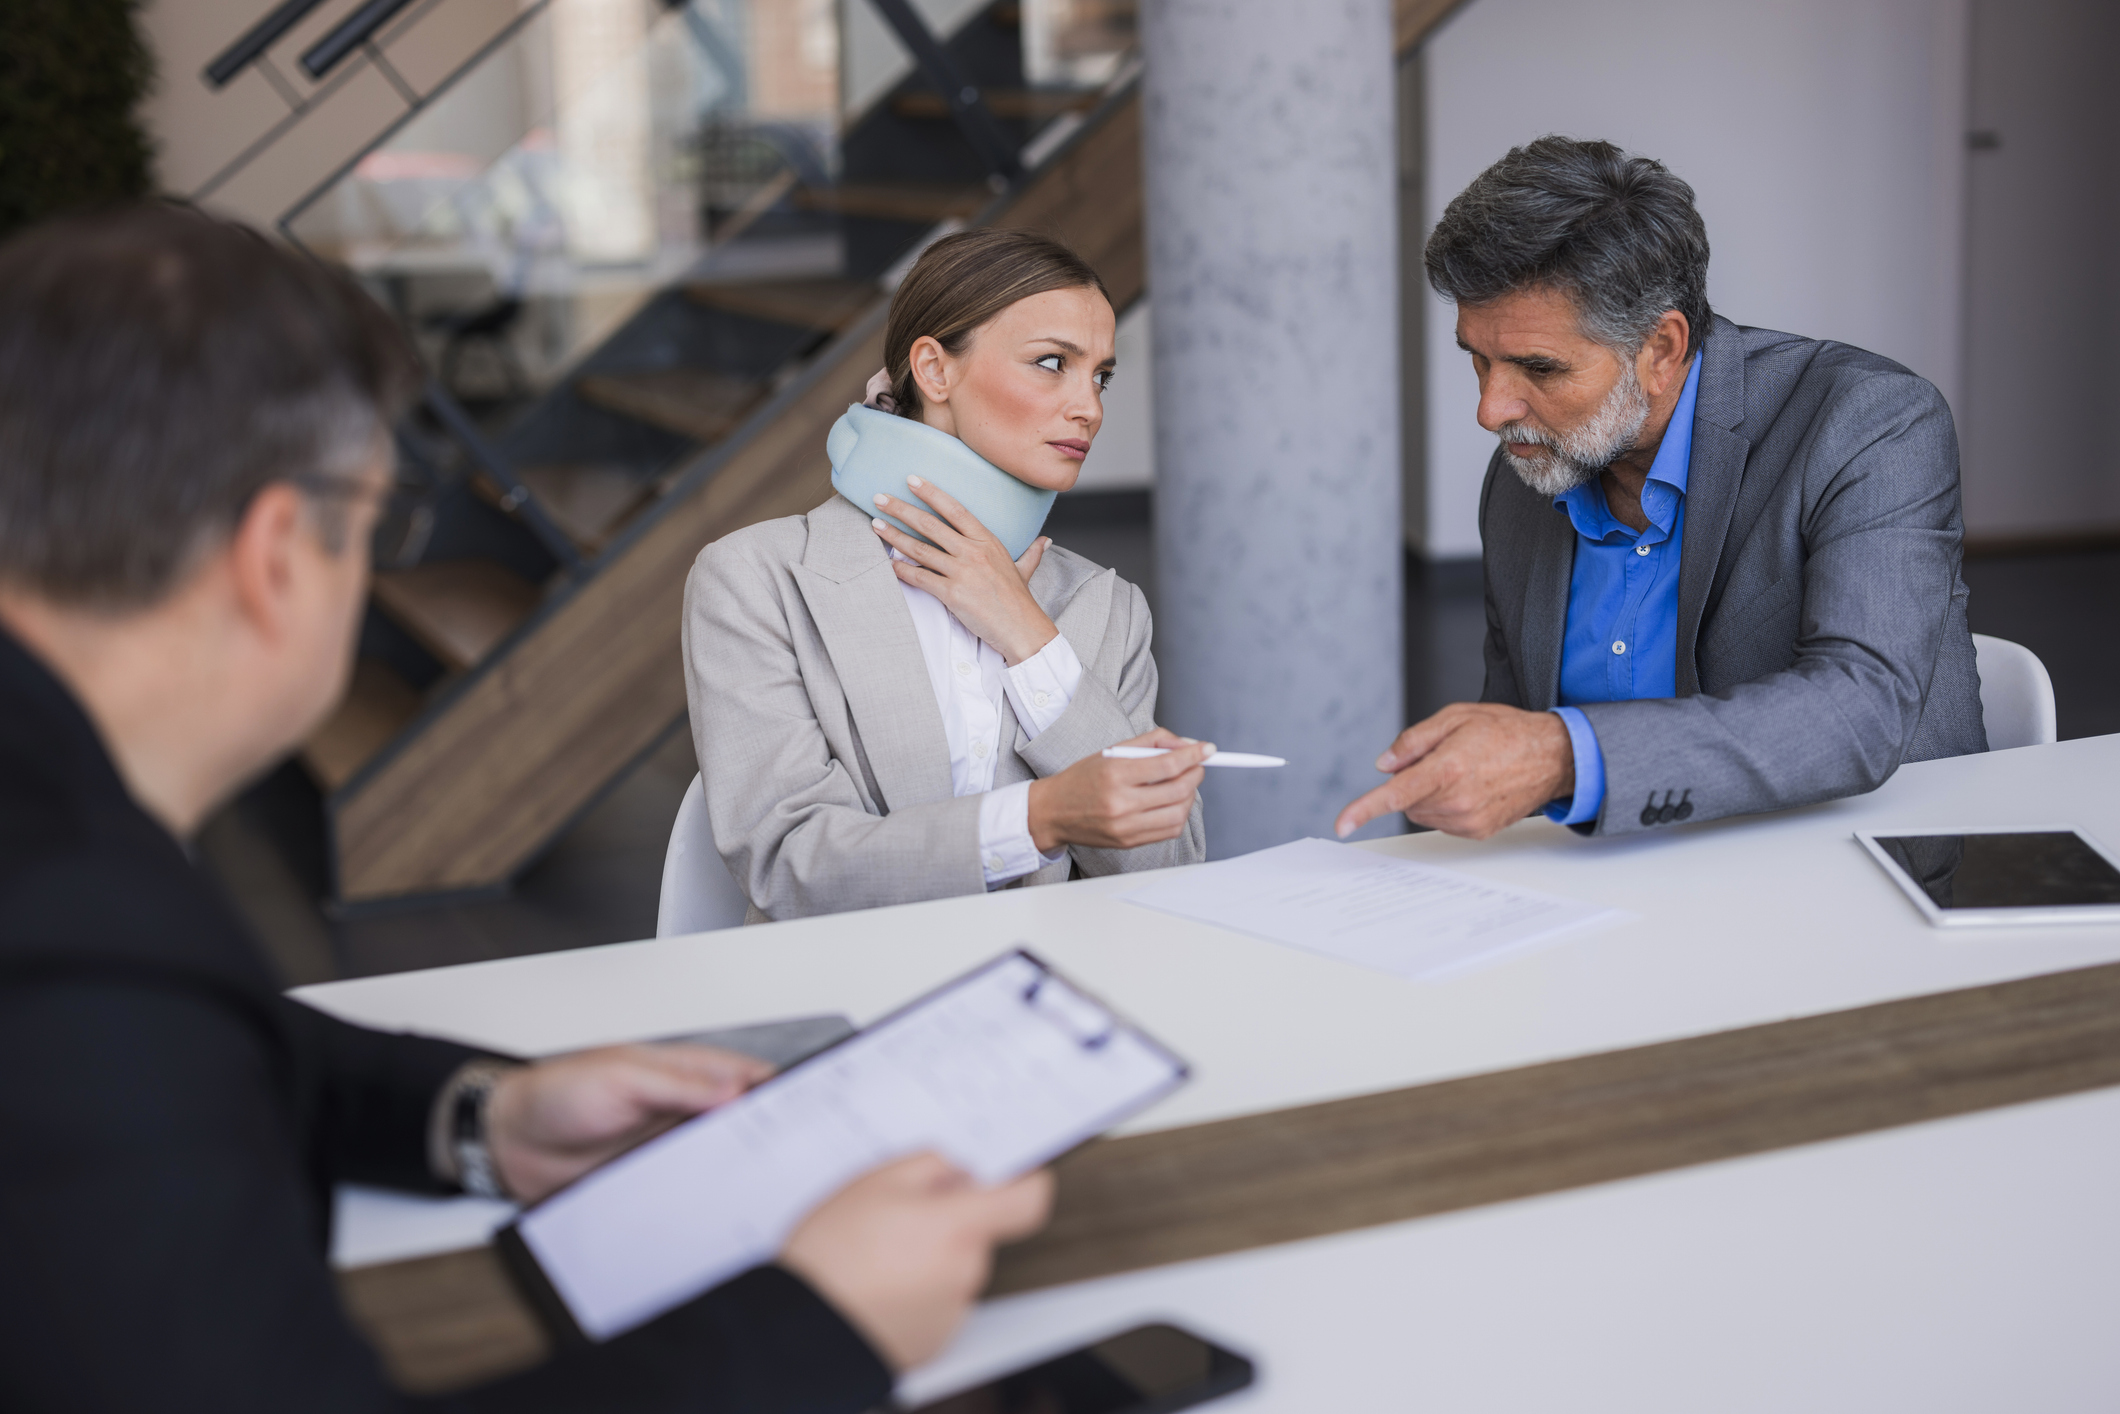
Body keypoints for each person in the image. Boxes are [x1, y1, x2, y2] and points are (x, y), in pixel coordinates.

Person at [0, 204, 1050, 1412]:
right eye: (378, 528)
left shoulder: (73, 879)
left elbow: (201, 1046)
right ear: (277, 553)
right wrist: (816, 1322)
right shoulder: (76, 938)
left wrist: (476, 1116)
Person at [1336, 137, 1985, 842]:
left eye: (1540, 369)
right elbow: (1517, 742)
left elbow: (1860, 712)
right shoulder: (1525, 476)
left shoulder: (1868, 422)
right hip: (1621, 891)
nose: (1491, 411)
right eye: (1479, 361)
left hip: (1862, 878)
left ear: (1662, 350)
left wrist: (1562, 757)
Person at [684, 229, 1208, 922]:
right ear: (934, 371)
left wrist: (1027, 634)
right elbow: (789, 864)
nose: (1090, 407)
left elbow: (1167, 868)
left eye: (1101, 375)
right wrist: (1037, 818)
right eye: (1053, 362)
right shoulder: (756, 580)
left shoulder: (1109, 607)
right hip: (848, 995)